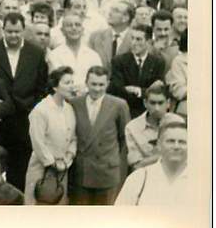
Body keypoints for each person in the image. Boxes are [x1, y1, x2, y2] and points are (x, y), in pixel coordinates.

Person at [0, 12, 48, 190]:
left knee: (22, 167)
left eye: (17, 32)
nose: (13, 35)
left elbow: (42, 85)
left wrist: (33, 108)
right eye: (10, 31)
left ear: (23, 31)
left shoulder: (35, 52)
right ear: (3, 30)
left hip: (26, 119)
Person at [68, 66, 129, 205]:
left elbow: (124, 139)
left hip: (107, 172)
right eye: (93, 84)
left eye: (101, 84)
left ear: (107, 84)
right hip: (82, 172)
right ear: (86, 83)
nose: (97, 89)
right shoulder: (74, 103)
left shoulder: (119, 105)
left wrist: (116, 165)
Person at [23, 66, 77, 205]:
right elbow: (37, 141)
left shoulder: (69, 108)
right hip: (41, 169)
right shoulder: (41, 110)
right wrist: (52, 163)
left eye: (72, 82)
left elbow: (73, 137)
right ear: (55, 87)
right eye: (67, 83)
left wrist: (68, 158)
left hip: (63, 168)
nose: (71, 86)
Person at [116, 120, 191, 205]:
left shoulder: (201, 183)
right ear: (159, 144)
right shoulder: (139, 179)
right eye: (170, 141)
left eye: (182, 142)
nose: (176, 146)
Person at [110, 24, 167, 120]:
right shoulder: (119, 61)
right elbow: (117, 90)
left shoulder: (158, 62)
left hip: (148, 113)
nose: (133, 43)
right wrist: (147, 90)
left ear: (148, 42)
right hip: (124, 112)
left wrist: (138, 91)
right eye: (132, 38)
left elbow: (159, 91)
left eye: (138, 39)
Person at [125, 82, 184, 172]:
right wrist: (165, 154)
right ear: (145, 103)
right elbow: (136, 166)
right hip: (147, 175)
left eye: (160, 103)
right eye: (152, 103)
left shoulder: (178, 121)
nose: (157, 108)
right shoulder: (132, 128)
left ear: (168, 103)